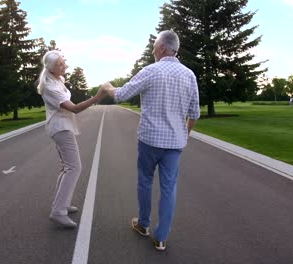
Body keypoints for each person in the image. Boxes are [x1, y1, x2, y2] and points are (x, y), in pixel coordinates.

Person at [102, 30, 200, 250]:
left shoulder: (151, 71)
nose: (153, 50)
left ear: (163, 48)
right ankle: (161, 237)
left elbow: (120, 95)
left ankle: (144, 224)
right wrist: (184, 135)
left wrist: (108, 87)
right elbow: (194, 113)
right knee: (169, 188)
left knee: (145, 180)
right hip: (174, 143)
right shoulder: (189, 75)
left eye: (155, 46)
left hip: (150, 140)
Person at [38, 50, 106, 228]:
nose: (64, 66)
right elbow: (74, 108)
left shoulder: (57, 80)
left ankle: (63, 204)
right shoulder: (50, 87)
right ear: (52, 69)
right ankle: (58, 211)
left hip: (62, 126)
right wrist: (98, 97)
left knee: (67, 167)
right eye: (60, 64)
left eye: (63, 62)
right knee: (74, 167)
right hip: (60, 128)